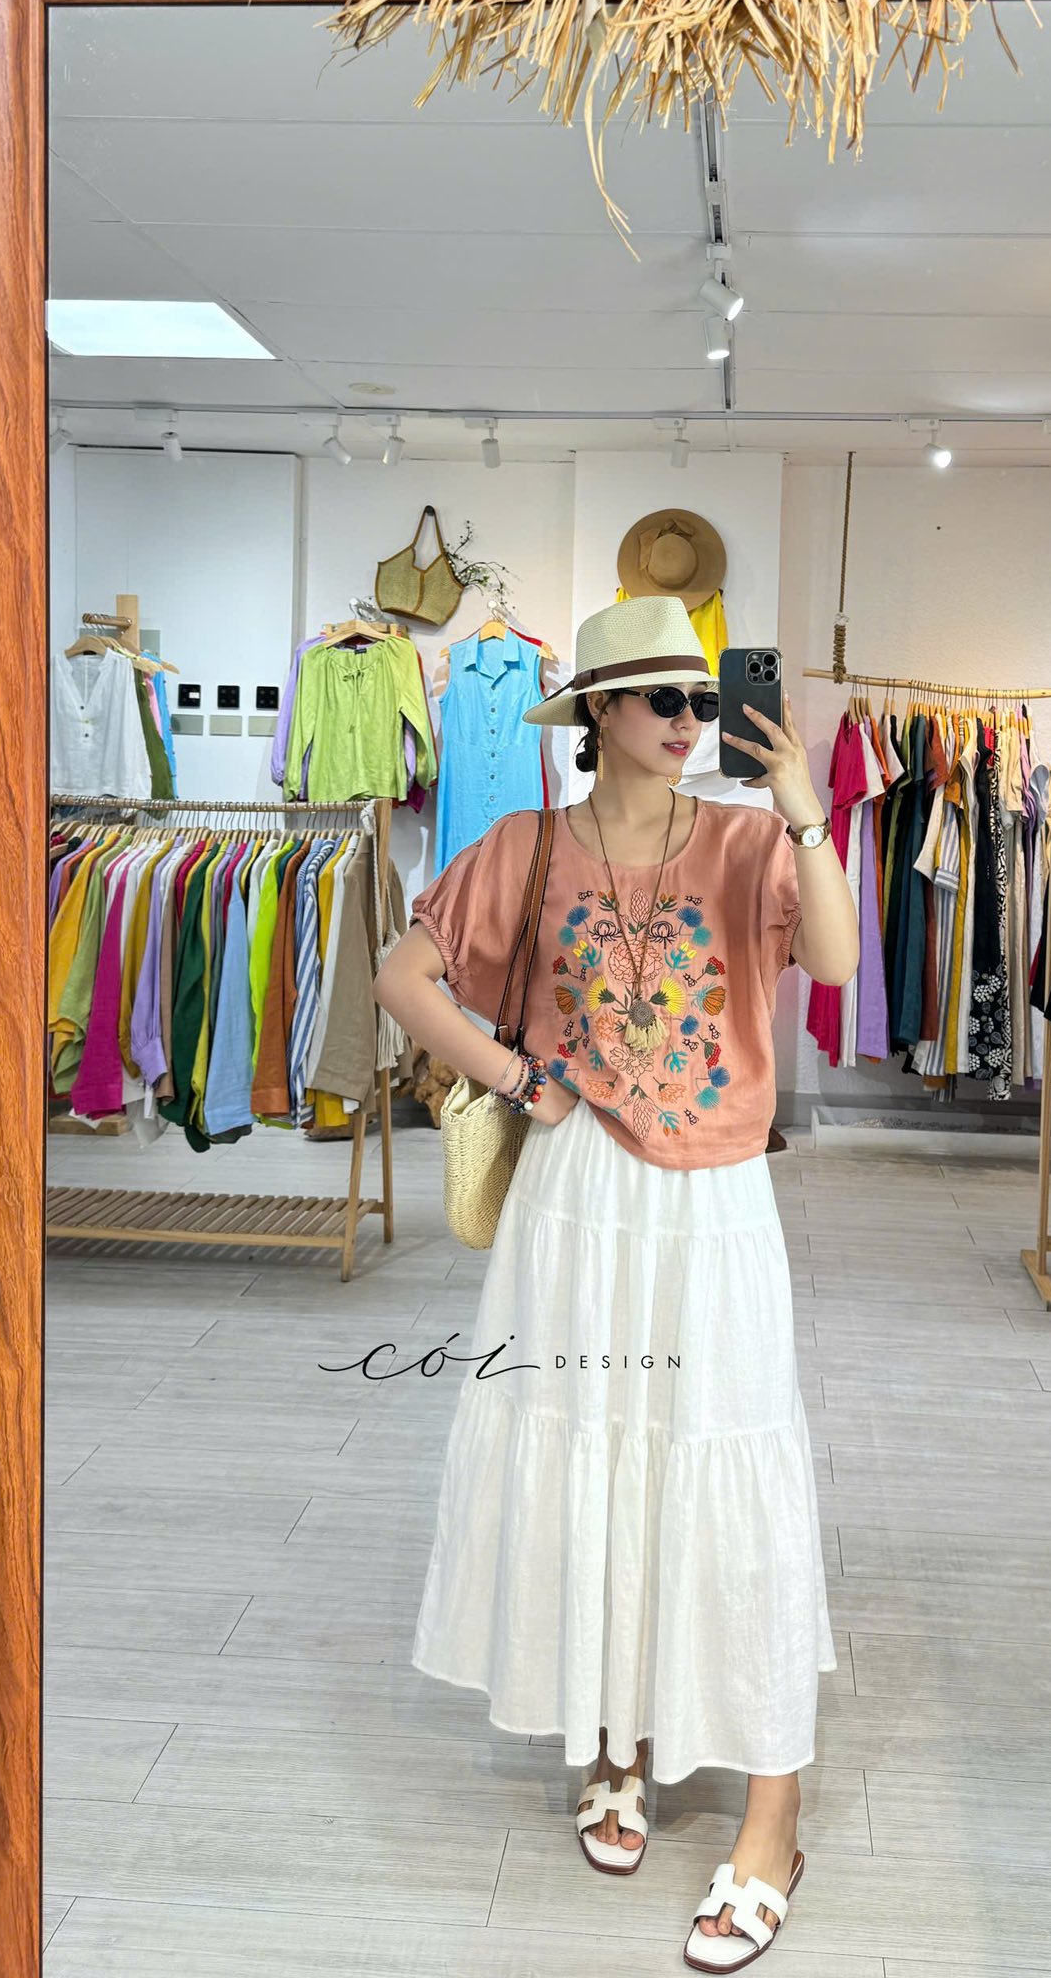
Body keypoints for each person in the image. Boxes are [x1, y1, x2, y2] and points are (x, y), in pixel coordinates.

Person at [374, 596, 858, 1969]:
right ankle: (618, 1738)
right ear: (596, 710)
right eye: (662, 699)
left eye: (702, 698)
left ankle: (773, 1819)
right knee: (601, 1460)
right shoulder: (522, 848)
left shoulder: (751, 842)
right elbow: (404, 976)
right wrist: (517, 1073)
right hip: (576, 1203)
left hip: (714, 1203)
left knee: (732, 1472)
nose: (690, 720)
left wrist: (805, 812)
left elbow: (832, 964)